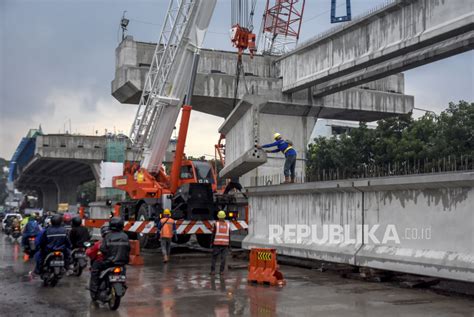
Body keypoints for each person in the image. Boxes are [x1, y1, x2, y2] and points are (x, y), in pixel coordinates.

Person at [89, 217, 130, 300]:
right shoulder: (125, 236)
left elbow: (103, 249)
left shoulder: (108, 236)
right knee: (123, 271)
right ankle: (123, 284)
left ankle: (94, 289)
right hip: (122, 262)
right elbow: (128, 248)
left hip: (109, 262)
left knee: (95, 267)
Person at [87, 224, 110, 297]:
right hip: (114, 262)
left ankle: (94, 289)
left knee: (94, 272)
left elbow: (90, 253)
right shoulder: (118, 240)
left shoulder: (99, 244)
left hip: (102, 263)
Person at [210, 210, 230, 276]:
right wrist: (230, 245)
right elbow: (229, 235)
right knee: (223, 259)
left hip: (217, 244)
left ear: (218, 217)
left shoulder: (216, 224)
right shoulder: (227, 225)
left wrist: (211, 243)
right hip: (225, 244)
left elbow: (213, 234)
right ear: (224, 217)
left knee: (214, 258)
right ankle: (221, 271)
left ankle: (213, 271)